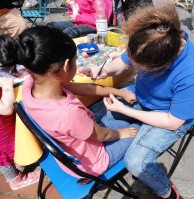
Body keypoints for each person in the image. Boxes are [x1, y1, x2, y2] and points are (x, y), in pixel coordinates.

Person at [80, 3, 194, 199]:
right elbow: (122, 62)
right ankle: (132, 132)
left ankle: (167, 192)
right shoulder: (152, 40)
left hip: (169, 115)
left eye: (140, 67)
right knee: (91, 117)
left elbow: (173, 121)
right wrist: (104, 70)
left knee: (135, 162)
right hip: (141, 97)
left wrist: (126, 111)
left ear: (164, 64)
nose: (133, 66)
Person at [0, 26, 139, 178]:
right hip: (93, 162)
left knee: (125, 122)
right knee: (136, 128)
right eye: (75, 60)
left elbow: (88, 89)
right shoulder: (68, 113)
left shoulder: (31, 85)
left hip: (75, 147)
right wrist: (119, 134)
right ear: (66, 66)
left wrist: (119, 92)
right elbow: (103, 135)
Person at [0, 76, 40, 190]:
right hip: (1, 135)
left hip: (5, 126)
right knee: (3, 157)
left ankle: (16, 159)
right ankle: (16, 180)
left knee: (11, 145)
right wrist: (7, 85)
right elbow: (5, 109)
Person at [47, 0, 112, 38]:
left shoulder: (101, 1)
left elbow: (99, 19)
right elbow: (74, 12)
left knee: (69, 32)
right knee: (51, 26)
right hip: (78, 22)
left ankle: (58, 52)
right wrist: (71, 5)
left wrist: (78, 18)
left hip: (95, 26)